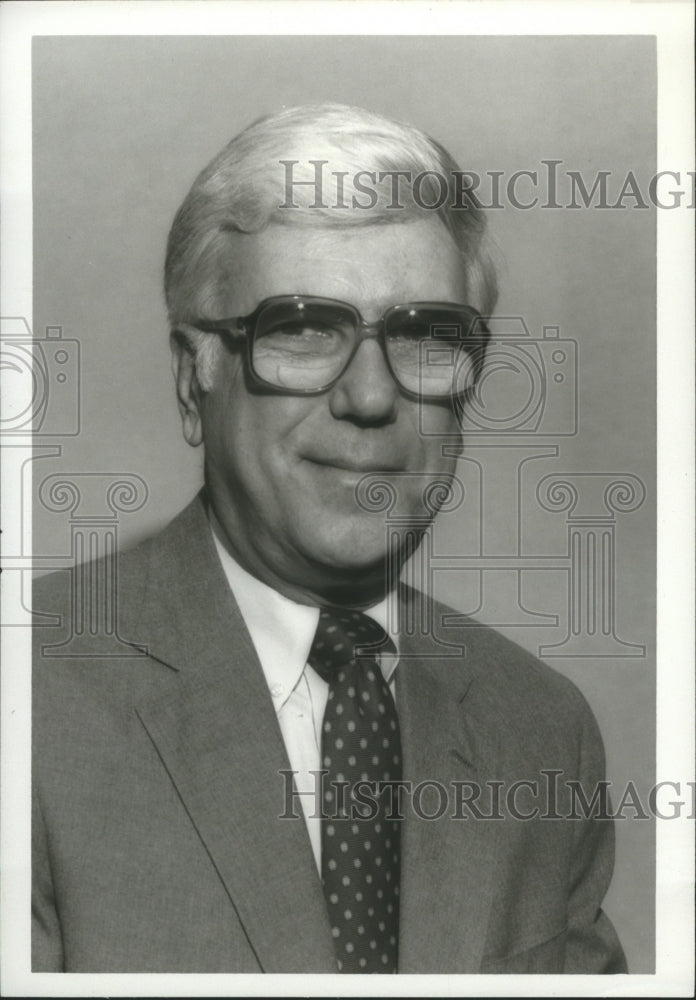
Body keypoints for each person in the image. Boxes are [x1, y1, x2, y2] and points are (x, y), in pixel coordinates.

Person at [32, 103, 627, 974]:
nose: (370, 397)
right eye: (305, 330)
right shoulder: (32, 699)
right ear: (195, 378)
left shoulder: (540, 731)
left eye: (425, 336)